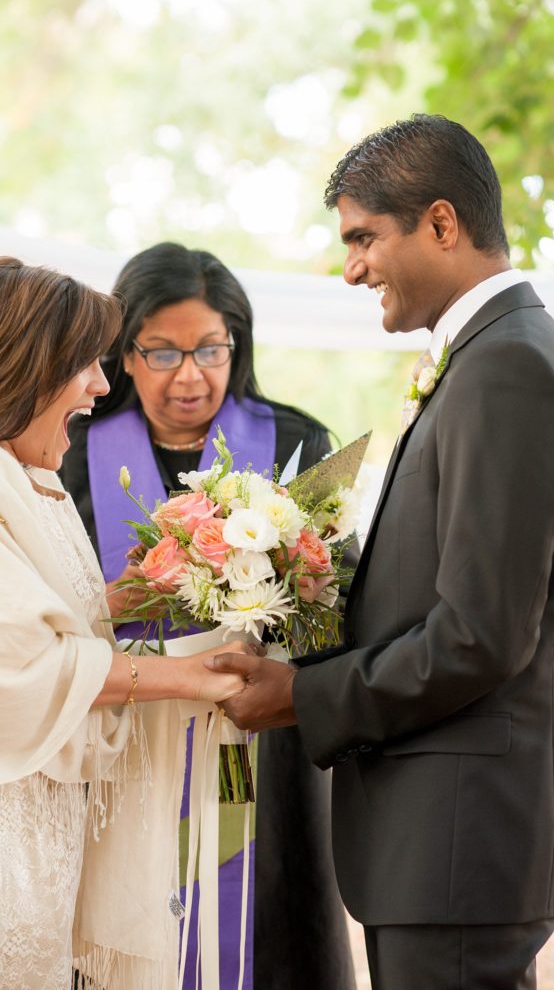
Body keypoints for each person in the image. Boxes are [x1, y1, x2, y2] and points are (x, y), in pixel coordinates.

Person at [207, 114, 554, 989]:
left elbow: (480, 636)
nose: (350, 267)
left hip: (461, 839)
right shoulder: (489, 356)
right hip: (448, 843)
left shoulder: (506, 369)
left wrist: (303, 696)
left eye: (362, 237)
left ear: (440, 223)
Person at [0, 256, 248, 990]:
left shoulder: (17, 474)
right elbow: (20, 664)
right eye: (84, 366)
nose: (102, 385)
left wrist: (135, 593)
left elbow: (25, 619)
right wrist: (192, 677)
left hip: (35, 821)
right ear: (20, 368)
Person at [60, 241, 357, 990]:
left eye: (211, 349)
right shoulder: (67, 450)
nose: (190, 375)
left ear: (237, 345)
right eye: (161, 353)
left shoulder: (296, 443)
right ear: (122, 355)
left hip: (252, 738)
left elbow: (336, 604)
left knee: (261, 930)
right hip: (120, 739)